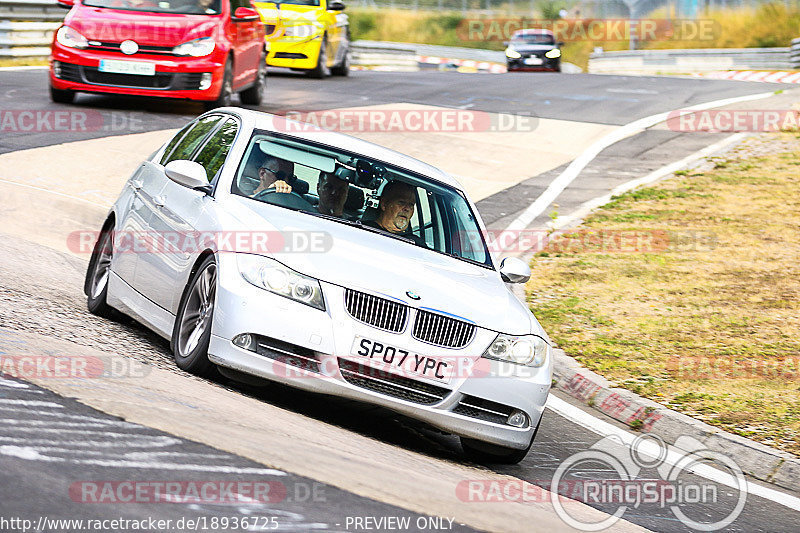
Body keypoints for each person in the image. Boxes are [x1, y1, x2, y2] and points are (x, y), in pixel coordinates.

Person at [364, 181, 424, 245]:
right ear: (384, 204)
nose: (407, 209)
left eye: (411, 205)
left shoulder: (417, 244)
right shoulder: (361, 230)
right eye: (401, 202)